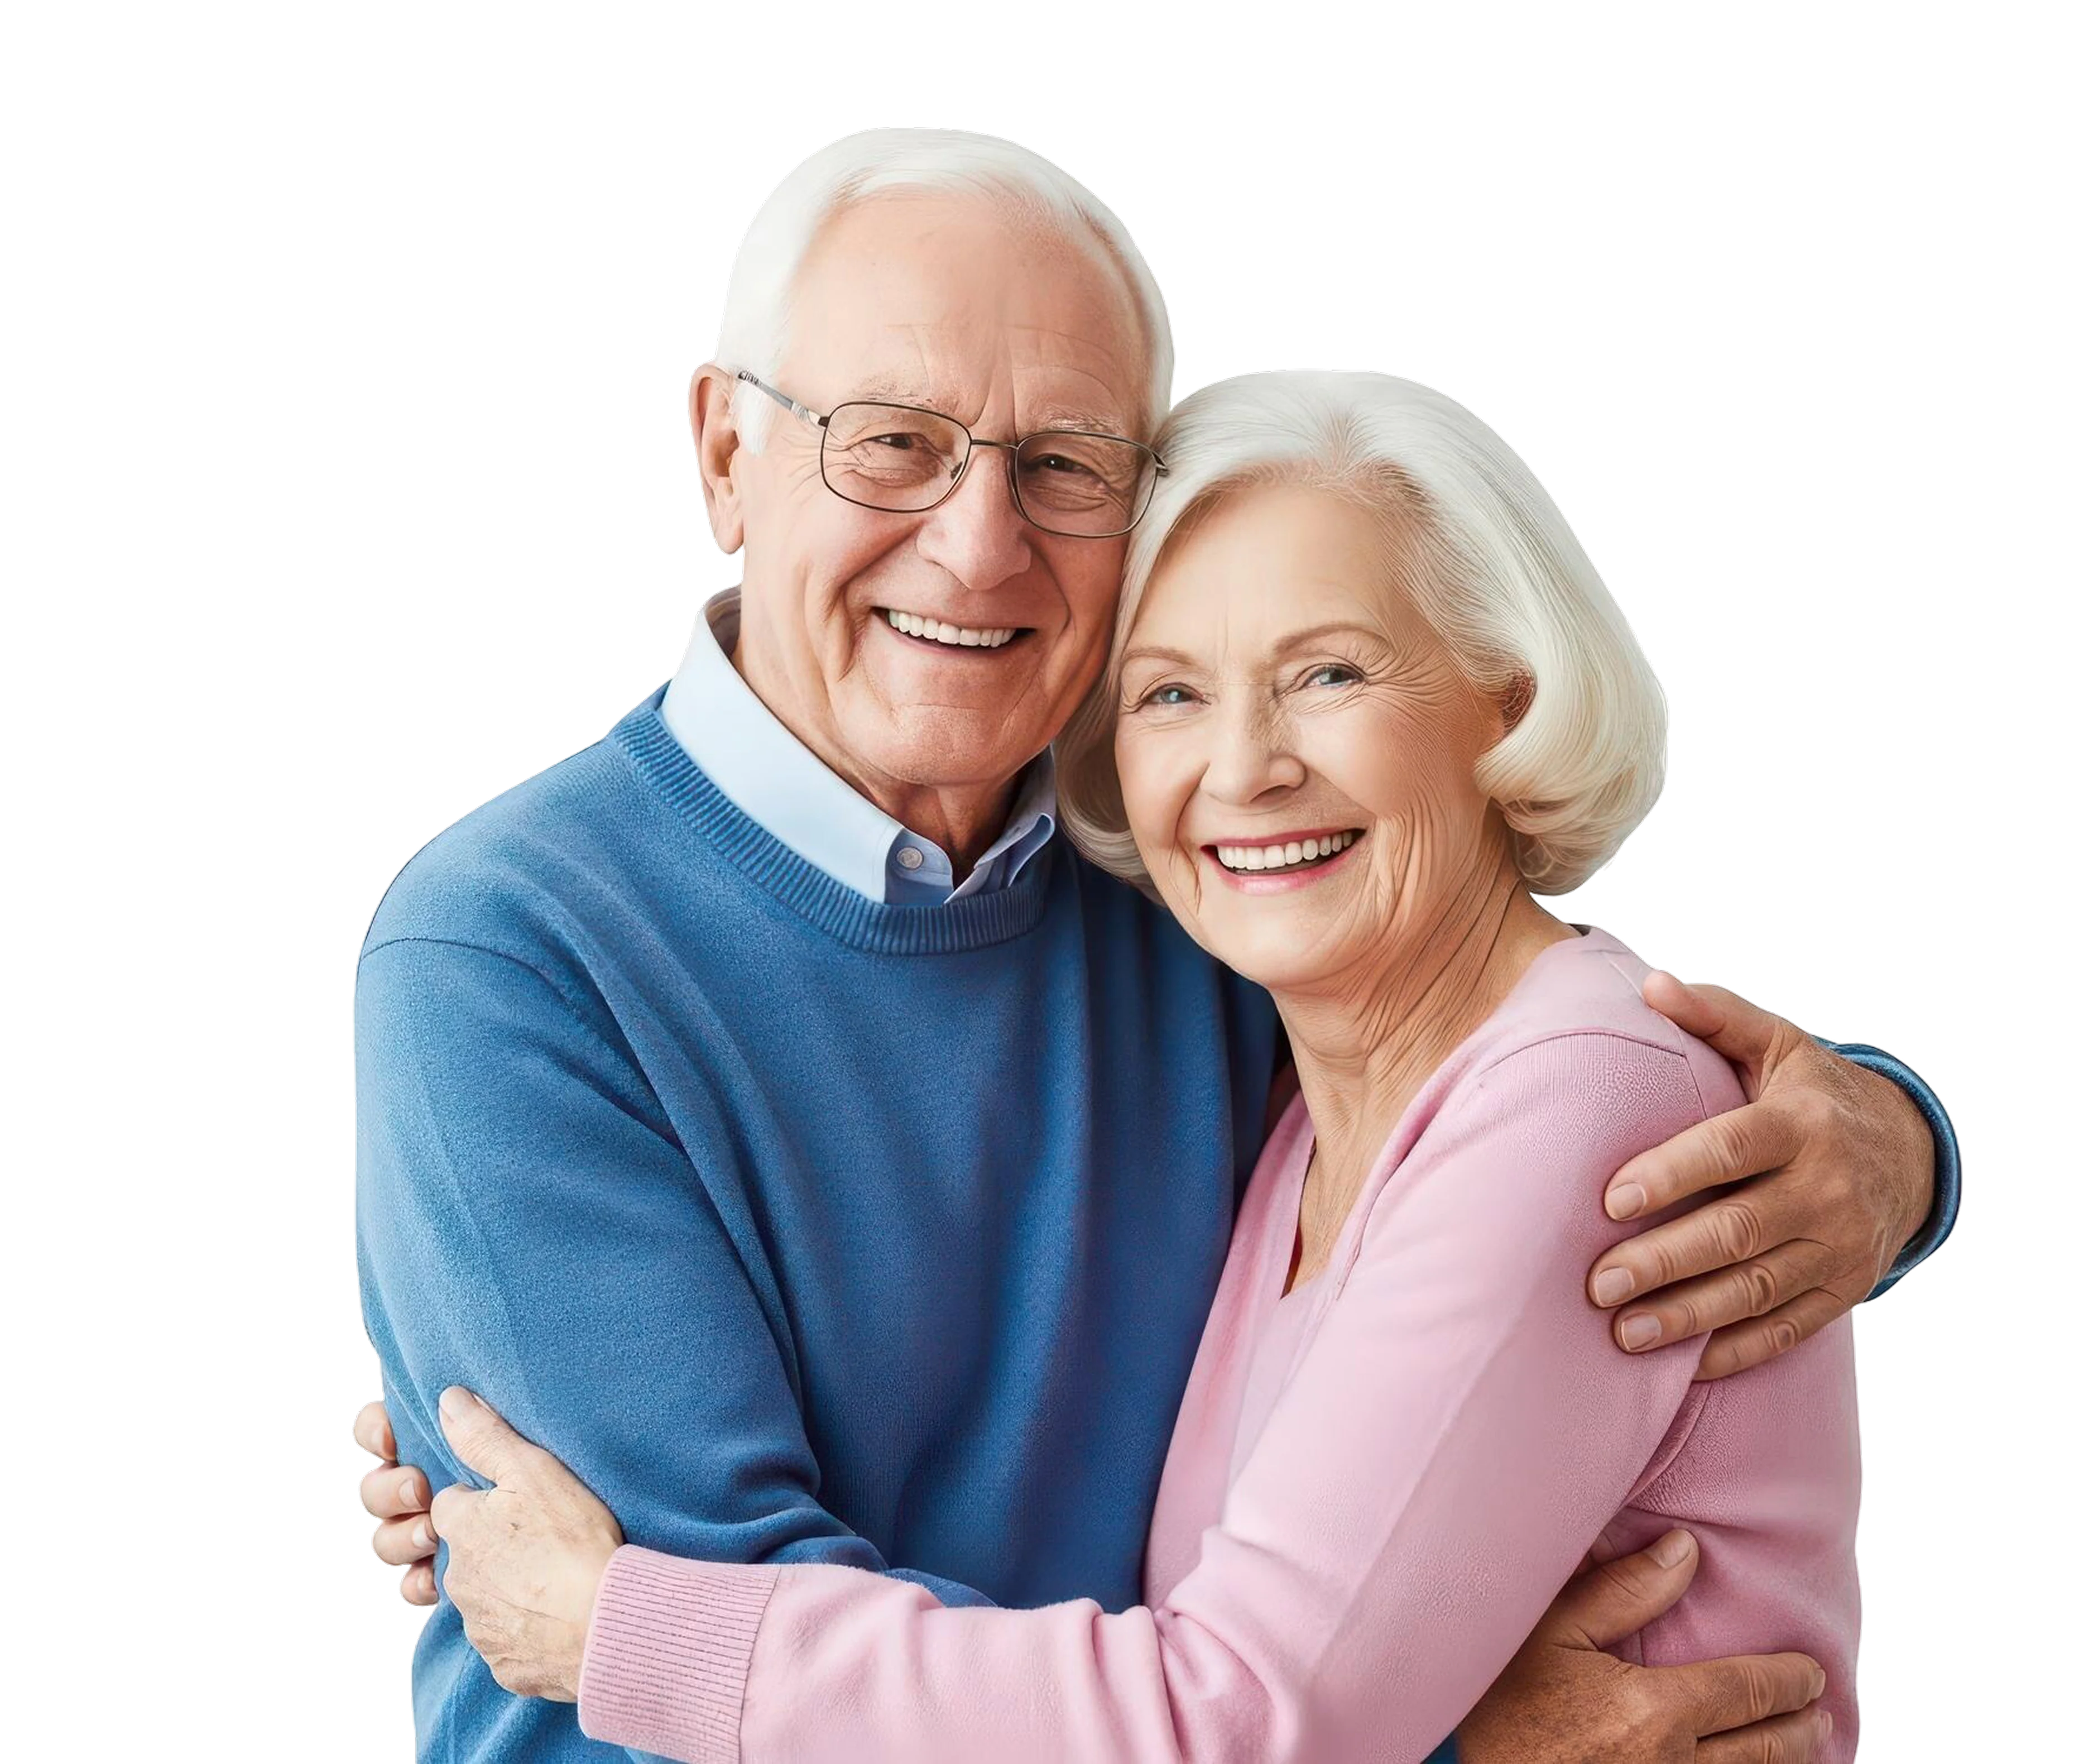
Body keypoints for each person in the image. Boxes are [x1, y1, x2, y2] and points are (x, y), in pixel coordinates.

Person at [351, 129, 1960, 1762]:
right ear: (721, 452)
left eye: (1064, 464)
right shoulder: (508, 956)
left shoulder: (1203, 905)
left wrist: (1888, 1145)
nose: (979, 546)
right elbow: (678, 1678)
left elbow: (1542, 1101)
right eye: (890, 443)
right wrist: (1420, 1742)